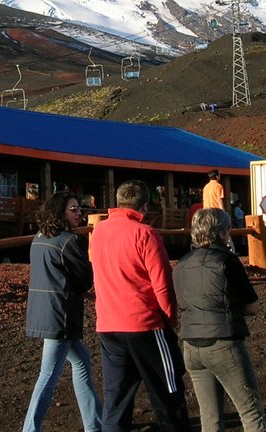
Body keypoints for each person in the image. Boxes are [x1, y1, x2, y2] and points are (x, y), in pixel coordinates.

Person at [92, 179, 190, 431]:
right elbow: (162, 282)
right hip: (143, 322)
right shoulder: (144, 233)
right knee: (167, 388)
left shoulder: (99, 231)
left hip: (108, 323)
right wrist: (170, 318)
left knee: (116, 394)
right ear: (144, 206)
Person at [173, 208, 266, 432]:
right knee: (251, 412)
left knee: (210, 417)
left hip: (191, 345)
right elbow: (252, 306)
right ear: (223, 232)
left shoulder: (181, 264)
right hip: (224, 343)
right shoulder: (227, 261)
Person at [22, 192, 101, 432]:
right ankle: (30, 428)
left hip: (42, 309)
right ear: (60, 212)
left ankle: (94, 423)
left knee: (81, 362)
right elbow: (85, 278)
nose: (79, 213)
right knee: (48, 374)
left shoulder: (39, 237)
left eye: (79, 209)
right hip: (61, 314)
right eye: (74, 209)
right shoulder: (69, 241)